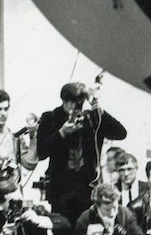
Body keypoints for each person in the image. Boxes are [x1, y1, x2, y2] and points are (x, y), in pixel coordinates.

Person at [37, 81, 129, 223]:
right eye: (74, 104)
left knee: (87, 231)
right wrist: (61, 133)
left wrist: (100, 112)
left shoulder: (93, 118)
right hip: (61, 187)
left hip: (87, 186)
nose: (77, 108)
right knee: (63, 231)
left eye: (81, 103)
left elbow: (121, 133)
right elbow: (42, 152)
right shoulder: (51, 118)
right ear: (65, 102)